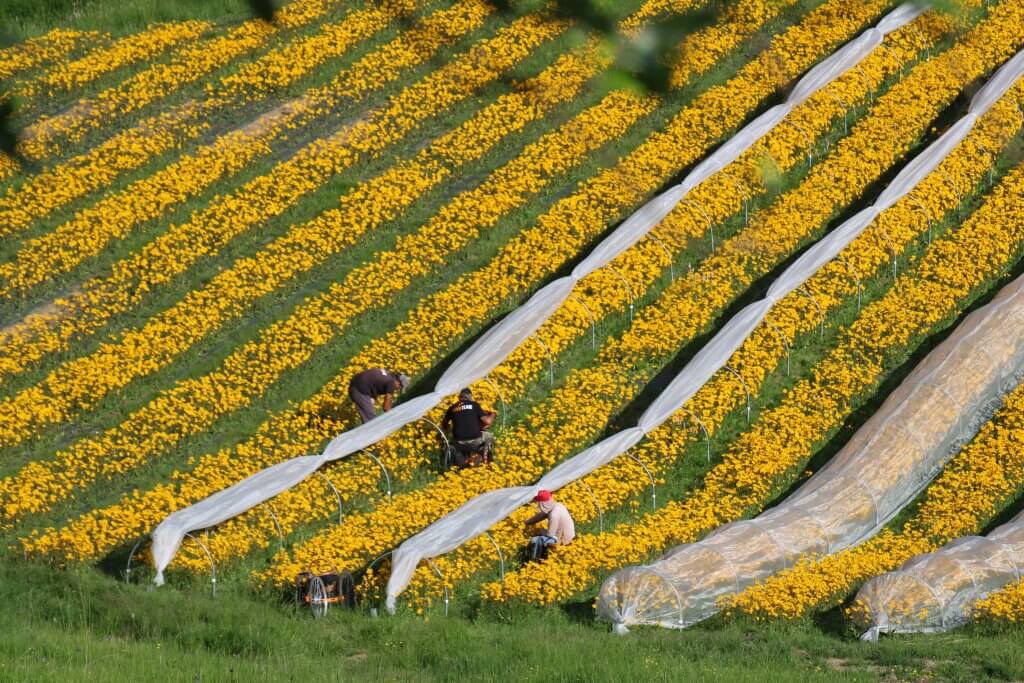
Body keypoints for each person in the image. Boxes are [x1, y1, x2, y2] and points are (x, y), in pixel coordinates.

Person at [441, 388, 497, 467]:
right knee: (489, 435)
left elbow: (444, 424)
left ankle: (459, 461)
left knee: (452, 441)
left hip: (458, 442)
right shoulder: (474, 405)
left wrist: (450, 428)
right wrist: (493, 414)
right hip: (475, 440)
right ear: (470, 397)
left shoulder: (452, 408)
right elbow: (487, 421)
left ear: (459, 397)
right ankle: (487, 460)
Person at [522, 490, 575, 561]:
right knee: (541, 531)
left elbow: (550, 536)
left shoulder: (554, 515)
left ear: (543, 504)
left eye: (538, 503)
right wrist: (527, 523)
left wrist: (540, 532)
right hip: (570, 535)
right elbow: (541, 515)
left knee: (535, 540)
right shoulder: (558, 505)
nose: (538, 505)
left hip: (564, 539)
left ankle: (537, 559)